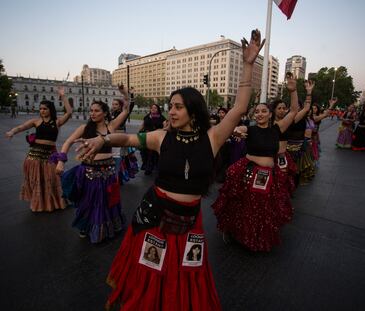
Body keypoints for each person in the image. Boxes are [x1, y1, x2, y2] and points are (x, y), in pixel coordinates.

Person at [76, 29, 264, 311]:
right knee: (151, 276)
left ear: (193, 110)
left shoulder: (212, 138)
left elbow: (239, 107)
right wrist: (102, 138)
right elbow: (126, 139)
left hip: (190, 225)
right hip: (155, 219)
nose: (171, 111)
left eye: (177, 107)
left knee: (186, 277)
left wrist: (248, 66)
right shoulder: (161, 137)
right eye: (170, 106)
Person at [212, 73, 298, 252]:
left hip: (269, 177)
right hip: (249, 173)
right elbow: (235, 128)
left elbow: (294, 112)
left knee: (263, 211)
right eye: (257, 111)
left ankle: (258, 237)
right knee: (247, 208)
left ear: (270, 114)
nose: (260, 114)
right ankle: (238, 233)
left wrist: (293, 91)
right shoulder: (249, 129)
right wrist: (235, 130)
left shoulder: (277, 129)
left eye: (264, 111)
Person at [56, 85, 131, 243]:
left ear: (105, 113)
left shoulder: (111, 127)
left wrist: (124, 93)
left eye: (96, 111)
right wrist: (61, 161)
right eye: (91, 111)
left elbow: (125, 110)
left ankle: (107, 227)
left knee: (108, 200)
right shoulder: (84, 128)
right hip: (89, 171)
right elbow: (68, 142)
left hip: (109, 171)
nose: (92, 113)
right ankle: (87, 226)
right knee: (89, 201)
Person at [5, 86, 72, 212]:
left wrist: (63, 96)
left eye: (45, 109)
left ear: (50, 110)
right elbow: (21, 127)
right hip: (35, 155)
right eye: (40, 109)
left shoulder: (57, 122)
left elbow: (69, 113)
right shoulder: (35, 121)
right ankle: (40, 204)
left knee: (52, 179)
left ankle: (54, 202)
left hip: (50, 154)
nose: (42, 111)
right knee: (38, 180)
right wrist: (12, 132)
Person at [111, 98, 138, 184]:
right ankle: (115, 178)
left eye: (116, 104)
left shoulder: (122, 114)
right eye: (113, 104)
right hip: (112, 138)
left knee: (119, 159)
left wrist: (131, 96)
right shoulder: (111, 114)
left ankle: (118, 179)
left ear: (120, 106)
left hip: (120, 139)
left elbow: (130, 107)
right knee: (113, 159)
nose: (114, 106)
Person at [139, 104, 167, 175]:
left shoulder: (162, 118)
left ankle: (150, 168)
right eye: (152, 108)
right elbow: (141, 127)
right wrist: (139, 133)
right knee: (145, 153)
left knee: (153, 153)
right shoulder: (146, 117)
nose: (153, 109)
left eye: (155, 108)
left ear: (158, 109)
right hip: (147, 136)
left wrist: (158, 130)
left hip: (156, 137)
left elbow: (165, 128)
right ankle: (147, 166)